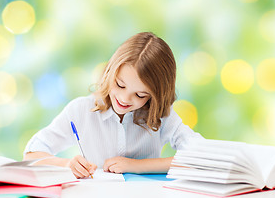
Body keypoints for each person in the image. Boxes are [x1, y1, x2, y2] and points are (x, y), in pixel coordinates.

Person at [23, 32, 203, 178]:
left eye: (140, 95)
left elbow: (201, 156)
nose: (125, 99)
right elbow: (32, 154)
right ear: (110, 72)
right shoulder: (81, 110)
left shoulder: (161, 116)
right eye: (119, 84)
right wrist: (67, 164)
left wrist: (136, 166)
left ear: (155, 96)